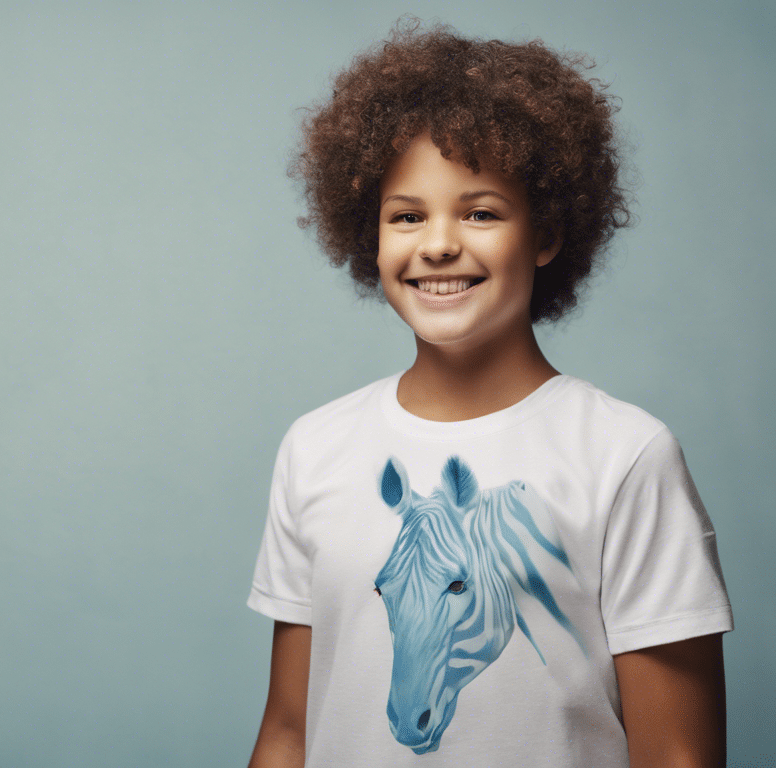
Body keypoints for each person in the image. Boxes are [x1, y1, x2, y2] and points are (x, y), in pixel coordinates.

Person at [246, 21, 731, 768]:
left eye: (480, 212)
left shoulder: (626, 455)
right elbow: (288, 731)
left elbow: (677, 754)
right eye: (406, 216)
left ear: (546, 234)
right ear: (368, 238)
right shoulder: (314, 448)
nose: (438, 243)